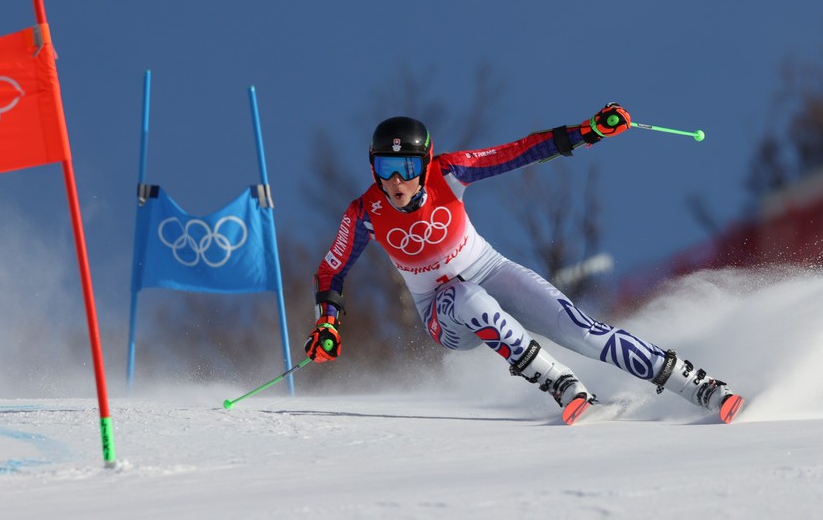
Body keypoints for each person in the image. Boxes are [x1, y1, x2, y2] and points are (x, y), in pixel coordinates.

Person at [304, 104, 743, 424]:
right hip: (442, 313)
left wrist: (588, 131)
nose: (395, 180)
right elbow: (332, 270)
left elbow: (518, 152)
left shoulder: (449, 172)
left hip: (490, 268)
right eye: (385, 166)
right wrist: (327, 324)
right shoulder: (364, 212)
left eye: (405, 165)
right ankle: (562, 384)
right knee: (465, 297)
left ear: (424, 163)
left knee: (578, 328)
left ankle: (697, 385)